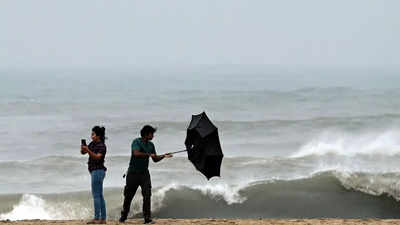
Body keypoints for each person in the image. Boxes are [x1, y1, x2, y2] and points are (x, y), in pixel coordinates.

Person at [119, 125, 172, 224]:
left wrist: (164, 156)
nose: (153, 136)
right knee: (128, 196)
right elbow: (136, 153)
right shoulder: (136, 142)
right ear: (146, 134)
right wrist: (148, 154)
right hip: (133, 173)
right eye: (152, 134)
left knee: (147, 195)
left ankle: (147, 218)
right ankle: (124, 216)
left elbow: (155, 159)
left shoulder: (151, 145)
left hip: (144, 174)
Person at [81, 126, 107, 224]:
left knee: (96, 195)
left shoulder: (101, 146)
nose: (91, 136)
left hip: (98, 171)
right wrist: (84, 149)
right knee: (99, 195)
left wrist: (88, 150)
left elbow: (97, 157)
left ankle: (97, 218)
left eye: (93, 134)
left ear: (98, 136)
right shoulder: (93, 144)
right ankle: (103, 219)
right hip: (95, 171)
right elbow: (83, 153)